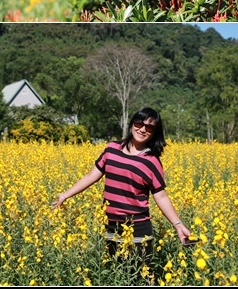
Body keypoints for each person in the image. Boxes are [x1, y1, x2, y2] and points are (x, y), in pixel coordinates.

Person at [51, 107, 192, 268]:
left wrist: (178, 225)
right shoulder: (111, 149)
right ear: (132, 123)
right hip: (111, 226)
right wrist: (65, 195)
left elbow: (160, 196)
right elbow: (91, 176)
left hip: (138, 230)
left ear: (154, 132)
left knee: (139, 278)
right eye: (139, 123)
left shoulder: (151, 161)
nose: (143, 129)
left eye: (149, 127)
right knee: (114, 274)